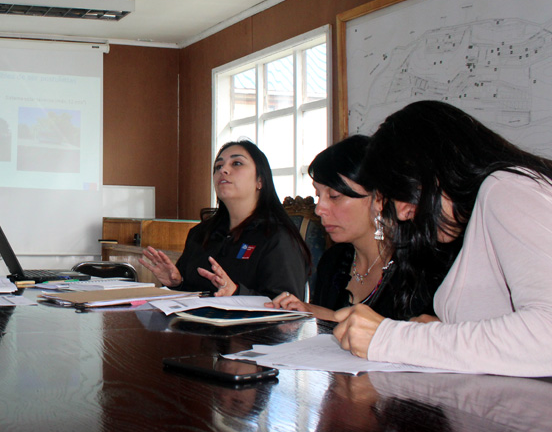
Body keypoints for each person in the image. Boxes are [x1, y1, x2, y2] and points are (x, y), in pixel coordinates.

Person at [332, 100, 552, 376]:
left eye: (405, 190)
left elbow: (547, 336)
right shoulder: (478, 218)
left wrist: (392, 338)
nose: (401, 213)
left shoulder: (506, 188)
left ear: (438, 166)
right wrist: (440, 334)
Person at [268, 135, 437, 321]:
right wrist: (308, 311)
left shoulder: (421, 270)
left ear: (379, 198)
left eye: (334, 196)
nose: (318, 209)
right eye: (318, 195)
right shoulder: (334, 262)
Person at [140, 140, 309, 299]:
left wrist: (236, 293)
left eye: (236, 163)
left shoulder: (278, 237)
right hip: (197, 326)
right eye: (218, 166)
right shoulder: (200, 234)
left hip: (248, 330)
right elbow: (191, 295)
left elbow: (288, 309)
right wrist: (177, 283)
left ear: (260, 180)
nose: (223, 170)